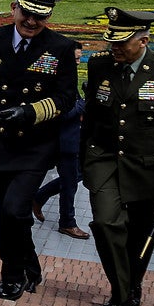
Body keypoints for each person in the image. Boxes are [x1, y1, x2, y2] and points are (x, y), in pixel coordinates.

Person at [81, 7, 154, 306]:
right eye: (111, 41)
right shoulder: (101, 65)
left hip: (147, 167)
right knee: (105, 223)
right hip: (103, 160)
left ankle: (132, 286)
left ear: (143, 41)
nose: (113, 48)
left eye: (122, 43)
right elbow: (91, 117)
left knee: (141, 233)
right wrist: (82, 160)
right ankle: (122, 291)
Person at [0, 0, 78, 302]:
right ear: (14, 8)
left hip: (34, 147)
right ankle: (31, 264)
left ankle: (11, 277)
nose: (33, 22)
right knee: (16, 213)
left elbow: (66, 98)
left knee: (11, 210)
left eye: (41, 16)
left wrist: (31, 112)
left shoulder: (60, 48)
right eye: (27, 13)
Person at [32, 41, 90, 239]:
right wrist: (84, 106)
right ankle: (67, 222)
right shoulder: (53, 80)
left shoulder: (67, 75)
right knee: (71, 182)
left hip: (69, 137)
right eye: (75, 59)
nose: (78, 62)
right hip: (59, 139)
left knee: (74, 177)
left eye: (80, 59)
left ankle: (40, 197)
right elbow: (59, 112)